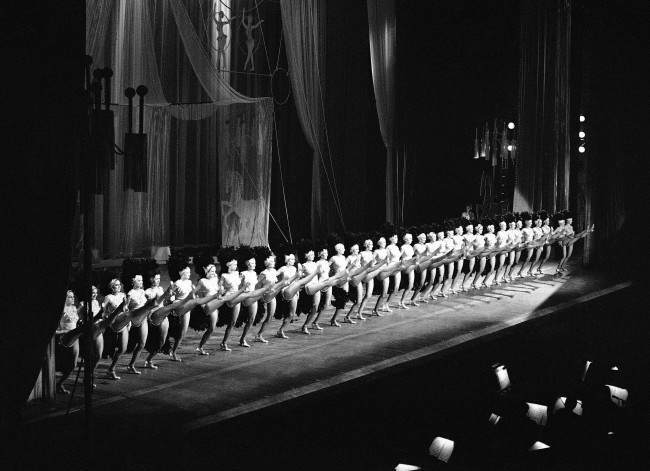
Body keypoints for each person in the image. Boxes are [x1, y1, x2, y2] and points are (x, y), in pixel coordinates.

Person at [55, 290, 80, 393]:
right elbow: (55, 330)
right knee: (65, 364)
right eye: (70, 297)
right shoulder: (61, 309)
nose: (72, 298)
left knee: (73, 364)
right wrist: (65, 331)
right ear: (64, 298)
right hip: (65, 338)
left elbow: (75, 323)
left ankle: (59, 383)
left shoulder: (74, 308)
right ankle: (57, 384)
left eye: (73, 296)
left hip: (75, 338)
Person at [104, 279, 127, 380]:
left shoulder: (123, 295)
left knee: (123, 348)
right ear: (111, 287)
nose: (118, 287)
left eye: (119, 285)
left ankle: (111, 369)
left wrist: (129, 322)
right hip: (113, 325)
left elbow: (127, 309)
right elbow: (103, 311)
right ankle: (111, 370)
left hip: (123, 324)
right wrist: (107, 319)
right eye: (115, 285)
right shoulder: (108, 297)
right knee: (111, 349)